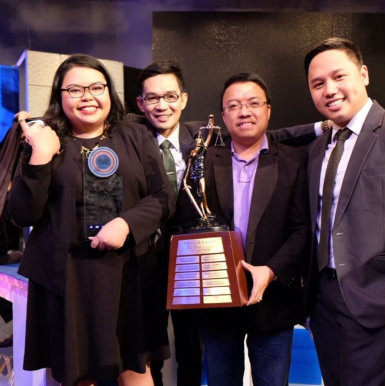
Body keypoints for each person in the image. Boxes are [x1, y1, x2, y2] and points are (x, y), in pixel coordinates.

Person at [5, 54, 174, 386]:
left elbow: (162, 197)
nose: (88, 96)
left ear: (109, 92)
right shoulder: (45, 138)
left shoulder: (135, 135)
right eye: (75, 89)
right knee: (75, 373)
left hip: (126, 274)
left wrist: (127, 224)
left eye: (97, 87)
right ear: (59, 95)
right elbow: (21, 214)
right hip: (65, 279)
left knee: (135, 370)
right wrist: (40, 156)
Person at [303, 37, 385, 386]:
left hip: (378, 301)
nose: (329, 90)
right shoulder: (318, 148)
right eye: (318, 84)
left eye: (339, 76)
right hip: (323, 302)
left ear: (363, 74)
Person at [198, 73, 310, 386]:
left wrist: (271, 270)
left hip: (274, 302)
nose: (243, 111)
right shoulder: (203, 162)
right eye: (233, 106)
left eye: (252, 103)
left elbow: (302, 230)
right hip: (218, 304)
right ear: (223, 116)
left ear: (268, 110)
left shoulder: (295, 162)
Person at [132, 60, 204, 386]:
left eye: (170, 96)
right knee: (150, 347)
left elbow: (260, 131)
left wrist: (319, 128)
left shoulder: (204, 136)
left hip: (191, 258)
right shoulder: (129, 140)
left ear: (184, 99)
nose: (162, 106)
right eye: (152, 98)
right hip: (145, 260)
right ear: (140, 103)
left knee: (192, 346)